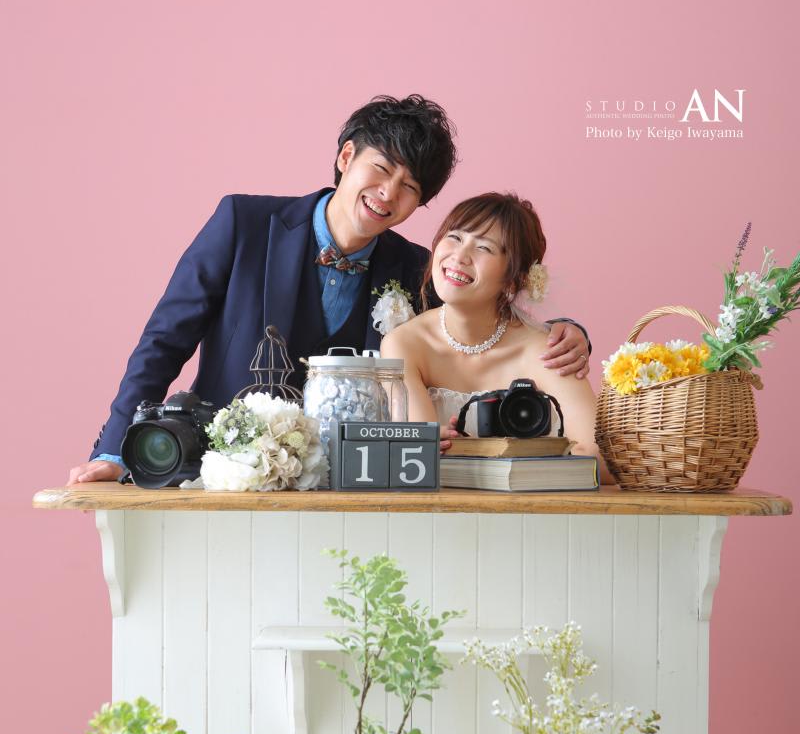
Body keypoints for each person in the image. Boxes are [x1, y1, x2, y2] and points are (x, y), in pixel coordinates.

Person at [67, 96, 591, 484]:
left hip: (354, 487)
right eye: (380, 169)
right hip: (231, 473)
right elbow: (163, 342)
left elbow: (477, 323)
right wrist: (114, 451)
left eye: (410, 187)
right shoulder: (243, 224)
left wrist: (567, 333)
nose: (388, 193)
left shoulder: (416, 267)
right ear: (346, 157)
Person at [380, 192, 612, 483]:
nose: (459, 256)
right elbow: (418, 455)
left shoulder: (547, 349)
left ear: (513, 279)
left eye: (484, 248)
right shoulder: (405, 344)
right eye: (455, 237)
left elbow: (601, 458)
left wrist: (511, 470)